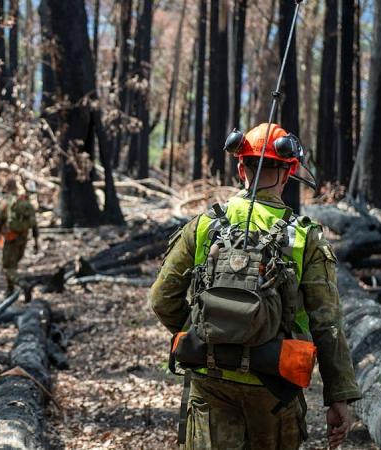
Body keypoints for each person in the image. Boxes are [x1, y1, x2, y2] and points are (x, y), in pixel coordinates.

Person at [149, 123, 360, 449]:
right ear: (290, 171)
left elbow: (162, 298)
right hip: (275, 383)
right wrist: (339, 397)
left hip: (210, 377)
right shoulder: (304, 235)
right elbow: (327, 322)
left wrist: (206, 333)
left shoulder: (205, 224)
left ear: (240, 167)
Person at [1, 179, 39, 292]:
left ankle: (22, 284)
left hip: (11, 238)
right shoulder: (28, 205)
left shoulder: (8, 202)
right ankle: (10, 290)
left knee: (7, 267)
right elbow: (34, 225)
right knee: (13, 265)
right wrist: (36, 243)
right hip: (23, 238)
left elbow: (0, 219)